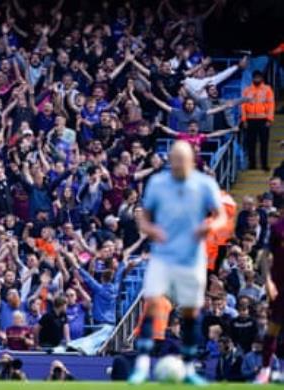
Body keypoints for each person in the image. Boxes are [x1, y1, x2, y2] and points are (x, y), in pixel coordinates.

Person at [129, 141, 227, 385]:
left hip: (192, 257)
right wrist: (153, 230)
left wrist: (209, 227)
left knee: (191, 312)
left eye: (182, 160)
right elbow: (144, 219)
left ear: (191, 161)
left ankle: (189, 368)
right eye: (173, 159)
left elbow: (221, 216)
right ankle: (141, 366)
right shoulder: (158, 184)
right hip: (163, 255)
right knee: (152, 305)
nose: (177, 164)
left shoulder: (204, 184)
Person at [254, 213, 284, 383]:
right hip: (279, 286)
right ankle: (265, 371)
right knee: (273, 327)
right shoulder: (277, 227)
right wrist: (268, 281)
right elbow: (264, 255)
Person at [241, 70, 275, 171]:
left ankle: (264, 164)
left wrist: (269, 119)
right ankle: (252, 165)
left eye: (258, 77)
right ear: (252, 78)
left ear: (262, 78)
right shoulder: (247, 90)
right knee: (251, 144)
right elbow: (243, 106)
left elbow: (271, 105)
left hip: (263, 120)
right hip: (250, 120)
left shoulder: (267, 89)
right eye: (255, 77)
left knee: (264, 143)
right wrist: (244, 120)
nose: (257, 79)